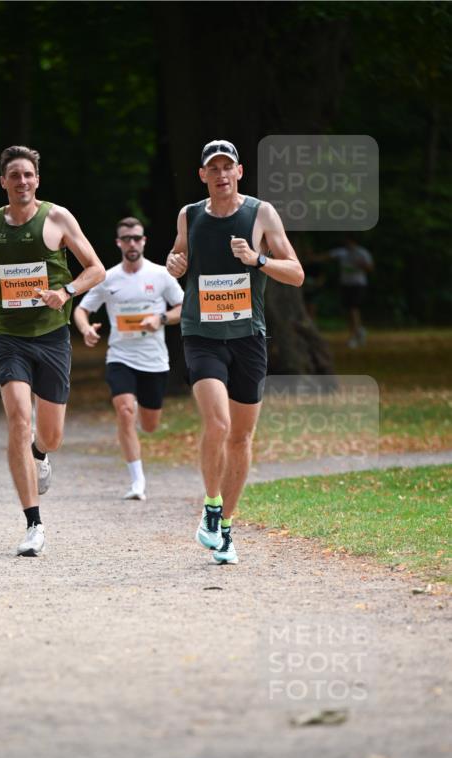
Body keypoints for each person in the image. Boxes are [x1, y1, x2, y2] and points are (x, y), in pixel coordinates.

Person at [166, 139, 304, 564]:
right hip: (201, 334)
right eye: (214, 168)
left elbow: (296, 273)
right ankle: (211, 506)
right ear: (202, 175)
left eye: (228, 167)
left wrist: (257, 260)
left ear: (239, 172)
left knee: (242, 436)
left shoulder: (261, 213)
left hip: (248, 337)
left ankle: (225, 528)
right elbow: (178, 258)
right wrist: (174, 264)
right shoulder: (189, 215)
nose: (221, 174)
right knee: (218, 423)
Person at [0, 144, 105, 556]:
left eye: (28, 174)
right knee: (18, 421)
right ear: (3, 181)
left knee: (51, 435)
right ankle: (33, 524)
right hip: (9, 337)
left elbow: (96, 269)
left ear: (37, 180)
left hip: (52, 336)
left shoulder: (57, 217)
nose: (22, 181)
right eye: (14, 175)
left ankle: (40, 453)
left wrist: (66, 291)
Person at [74, 216, 183, 500]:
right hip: (120, 356)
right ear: (119, 243)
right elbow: (81, 310)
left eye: (136, 238)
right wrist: (86, 329)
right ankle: (137, 482)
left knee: (149, 425)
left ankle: (138, 417)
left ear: (144, 241)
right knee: (124, 411)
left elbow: (183, 307)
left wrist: (160, 318)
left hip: (154, 360)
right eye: (126, 239)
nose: (132, 243)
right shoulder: (107, 278)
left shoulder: (161, 275)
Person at [320, 236, 374, 347]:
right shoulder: (342, 252)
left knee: (353, 308)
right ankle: (359, 330)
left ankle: (354, 336)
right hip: (345, 284)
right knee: (349, 310)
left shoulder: (362, 252)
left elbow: (370, 268)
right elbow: (327, 256)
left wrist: (361, 265)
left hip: (358, 284)